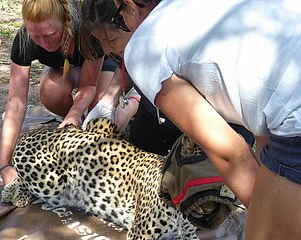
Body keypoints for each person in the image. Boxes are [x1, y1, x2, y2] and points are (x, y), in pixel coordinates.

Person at [113, 0, 301, 240]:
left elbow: (231, 152)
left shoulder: (144, 45)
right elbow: (265, 113)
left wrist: (276, 230)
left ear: (129, 5)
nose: (121, 27)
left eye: (119, 16)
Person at [79, 0, 254, 155]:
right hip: (156, 114)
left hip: (214, 116)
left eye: (111, 39)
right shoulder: (132, 42)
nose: (107, 49)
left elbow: (224, 145)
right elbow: (125, 63)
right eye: (100, 41)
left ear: (129, 15)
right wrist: (109, 100)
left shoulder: (161, 46)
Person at [0, 0, 116, 186]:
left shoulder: (86, 29)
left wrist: (74, 112)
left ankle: (127, 103)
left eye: (50, 35)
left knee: (99, 113)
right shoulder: (24, 40)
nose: (43, 42)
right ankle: (76, 129)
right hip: (66, 67)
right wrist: (4, 164)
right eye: (35, 36)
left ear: (65, 22)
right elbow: (16, 103)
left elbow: (88, 86)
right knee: (51, 91)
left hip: (103, 64)